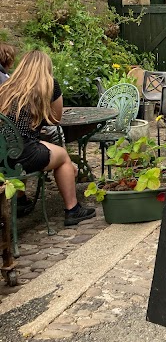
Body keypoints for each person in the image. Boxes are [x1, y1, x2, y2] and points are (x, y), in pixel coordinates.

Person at [0, 50, 95, 225]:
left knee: (33, 144)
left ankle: (21, 200)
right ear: (46, 68)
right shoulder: (49, 85)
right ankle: (73, 209)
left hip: (4, 152)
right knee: (63, 157)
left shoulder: (7, 86)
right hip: (24, 152)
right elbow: (55, 119)